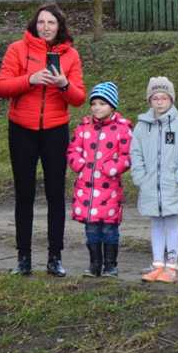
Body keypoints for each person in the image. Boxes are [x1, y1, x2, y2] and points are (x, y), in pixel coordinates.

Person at [0, 3, 86, 278]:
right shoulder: (17, 49)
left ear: (59, 26)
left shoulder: (70, 55)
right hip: (22, 129)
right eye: (42, 22)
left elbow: (79, 98)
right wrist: (30, 79)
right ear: (35, 24)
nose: (46, 27)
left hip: (55, 130)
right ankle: (23, 257)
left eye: (51, 23)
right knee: (24, 193)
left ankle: (55, 257)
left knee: (55, 194)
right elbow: (1, 87)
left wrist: (63, 84)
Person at [131, 76, 178, 283]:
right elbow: (135, 153)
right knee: (156, 223)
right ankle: (158, 264)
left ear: (171, 99)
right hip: (150, 186)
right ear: (149, 100)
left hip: (171, 186)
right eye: (155, 98)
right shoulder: (141, 127)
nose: (159, 102)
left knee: (171, 222)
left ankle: (171, 266)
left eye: (164, 98)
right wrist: (140, 177)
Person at [68, 82, 131, 278]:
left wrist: (113, 168)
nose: (97, 107)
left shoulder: (122, 129)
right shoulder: (83, 127)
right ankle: (95, 264)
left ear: (112, 106)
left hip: (109, 187)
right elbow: (73, 150)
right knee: (92, 229)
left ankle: (110, 265)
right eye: (94, 103)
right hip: (86, 188)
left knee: (109, 228)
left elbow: (128, 155)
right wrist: (80, 165)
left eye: (102, 104)